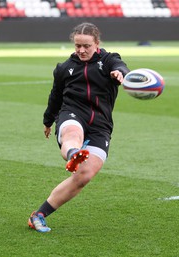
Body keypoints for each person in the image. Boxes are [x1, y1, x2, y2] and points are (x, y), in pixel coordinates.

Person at [28, 22, 130, 233]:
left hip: (101, 125)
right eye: (77, 46)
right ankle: (74, 153)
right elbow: (55, 96)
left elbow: (121, 66)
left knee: (84, 176)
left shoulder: (109, 60)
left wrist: (120, 73)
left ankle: (39, 215)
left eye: (86, 46)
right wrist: (48, 121)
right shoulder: (64, 68)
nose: (81, 50)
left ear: (97, 44)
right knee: (73, 133)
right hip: (71, 113)